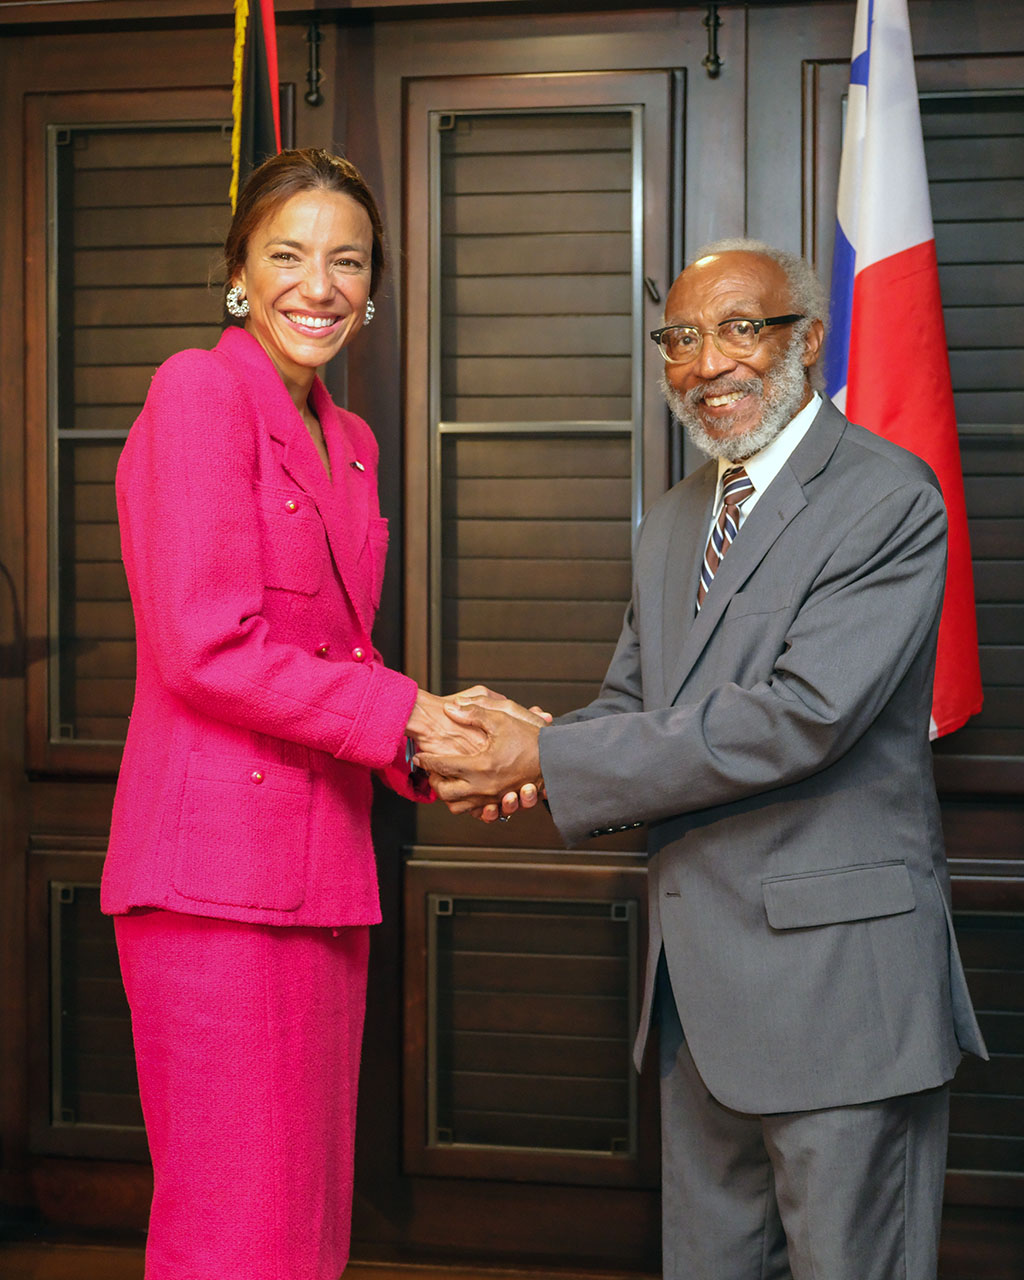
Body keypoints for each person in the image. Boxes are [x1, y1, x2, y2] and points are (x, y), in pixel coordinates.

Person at [416, 239, 988, 1280]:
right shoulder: (679, 517)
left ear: (809, 340)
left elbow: (800, 717)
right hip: (698, 999)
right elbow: (636, 708)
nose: (707, 362)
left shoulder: (886, 497)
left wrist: (542, 753)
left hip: (838, 996)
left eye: (739, 329)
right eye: (679, 338)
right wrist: (523, 756)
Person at [101, 148, 516, 1280]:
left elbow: (334, 660)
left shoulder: (353, 440)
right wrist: (412, 714)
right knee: (236, 1235)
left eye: (349, 260)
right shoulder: (198, 389)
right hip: (216, 884)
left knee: (303, 1231)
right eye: (287, 255)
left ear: (374, 284)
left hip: (323, 872)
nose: (319, 286)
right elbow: (206, 646)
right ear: (238, 271)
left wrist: (438, 747)